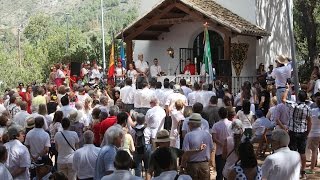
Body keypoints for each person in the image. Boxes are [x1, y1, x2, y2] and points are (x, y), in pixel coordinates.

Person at [283, 89, 311, 178]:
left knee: (293, 152)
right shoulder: (307, 108)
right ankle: (303, 171)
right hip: (303, 132)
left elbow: (283, 99)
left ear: (298, 97)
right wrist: (308, 132)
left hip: (293, 132)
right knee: (302, 153)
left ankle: (293, 171)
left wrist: (287, 89)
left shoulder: (292, 105)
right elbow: (309, 121)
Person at [183, 113, 214, 180]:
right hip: (205, 165)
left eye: (189, 123)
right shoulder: (207, 135)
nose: (188, 125)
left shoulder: (188, 136)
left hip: (192, 166)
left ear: (192, 124)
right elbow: (212, 149)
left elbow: (186, 153)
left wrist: (183, 165)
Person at [211, 107, 232, 180]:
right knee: (229, 172)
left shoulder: (216, 125)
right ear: (227, 114)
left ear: (219, 115)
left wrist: (222, 144)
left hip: (219, 152)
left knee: (220, 172)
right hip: (230, 151)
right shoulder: (231, 124)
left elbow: (214, 138)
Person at [307, 92, 320, 172]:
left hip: (314, 133)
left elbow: (308, 121)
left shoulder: (313, 111)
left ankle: (312, 168)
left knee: (314, 150)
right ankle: (313, 164)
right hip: (318, 132)